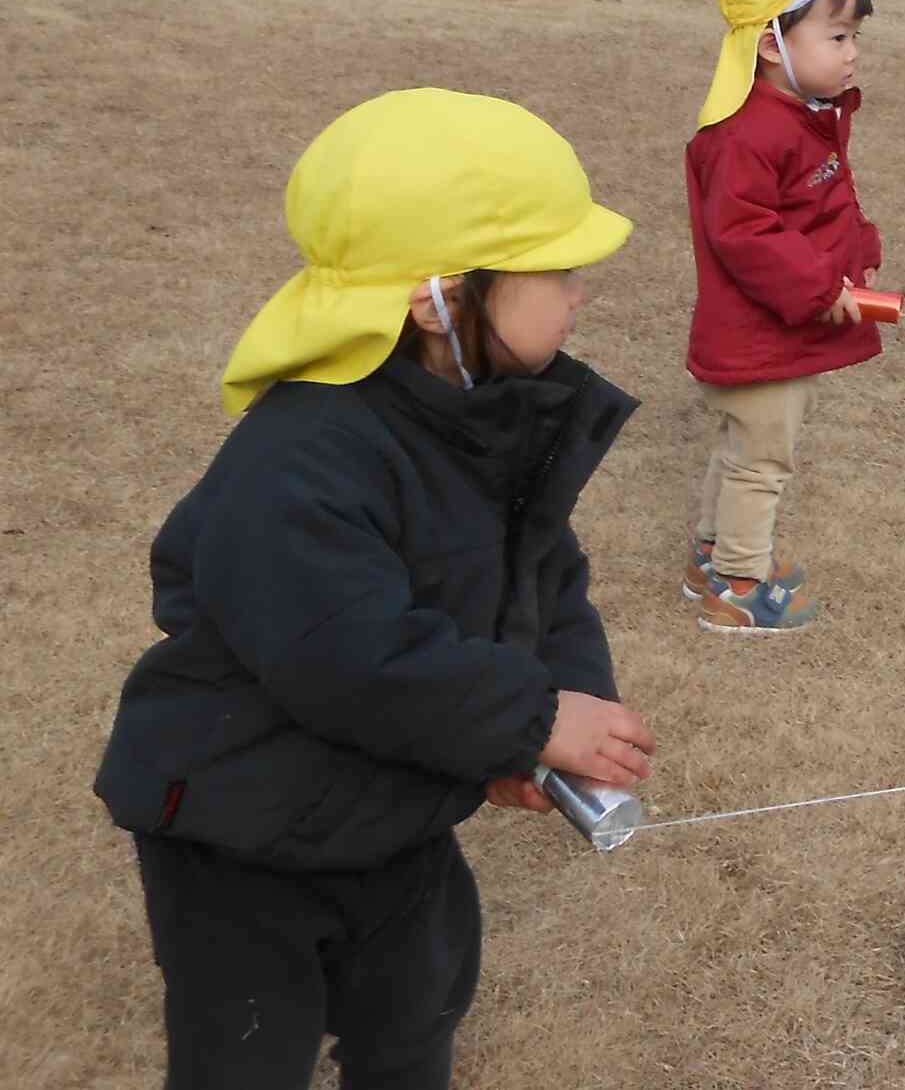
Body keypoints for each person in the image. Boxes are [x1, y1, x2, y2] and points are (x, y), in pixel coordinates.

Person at [95, 89, 657, 1090]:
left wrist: (566, 711)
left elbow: (543, 576)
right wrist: (526, 716)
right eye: (557, 271)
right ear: (435, 294)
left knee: (418, 1006)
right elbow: (346, 653)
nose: (578, 293)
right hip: (241, 832)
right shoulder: (296, 463)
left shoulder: (485, 418)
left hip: (391, 811)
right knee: (245, 1053)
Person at [683, 0, 888, 633]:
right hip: (759, 338)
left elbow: (823, 205)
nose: (851, 51)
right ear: (772, 43)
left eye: (853, 35)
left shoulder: (801, 116)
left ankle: (711, 553)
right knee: (760, 460)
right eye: (835, 36)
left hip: (781, 330)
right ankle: (739, 584)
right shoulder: (746, 133)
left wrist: (858, 247)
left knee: (744, 447)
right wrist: (817, 286)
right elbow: (743, 232)